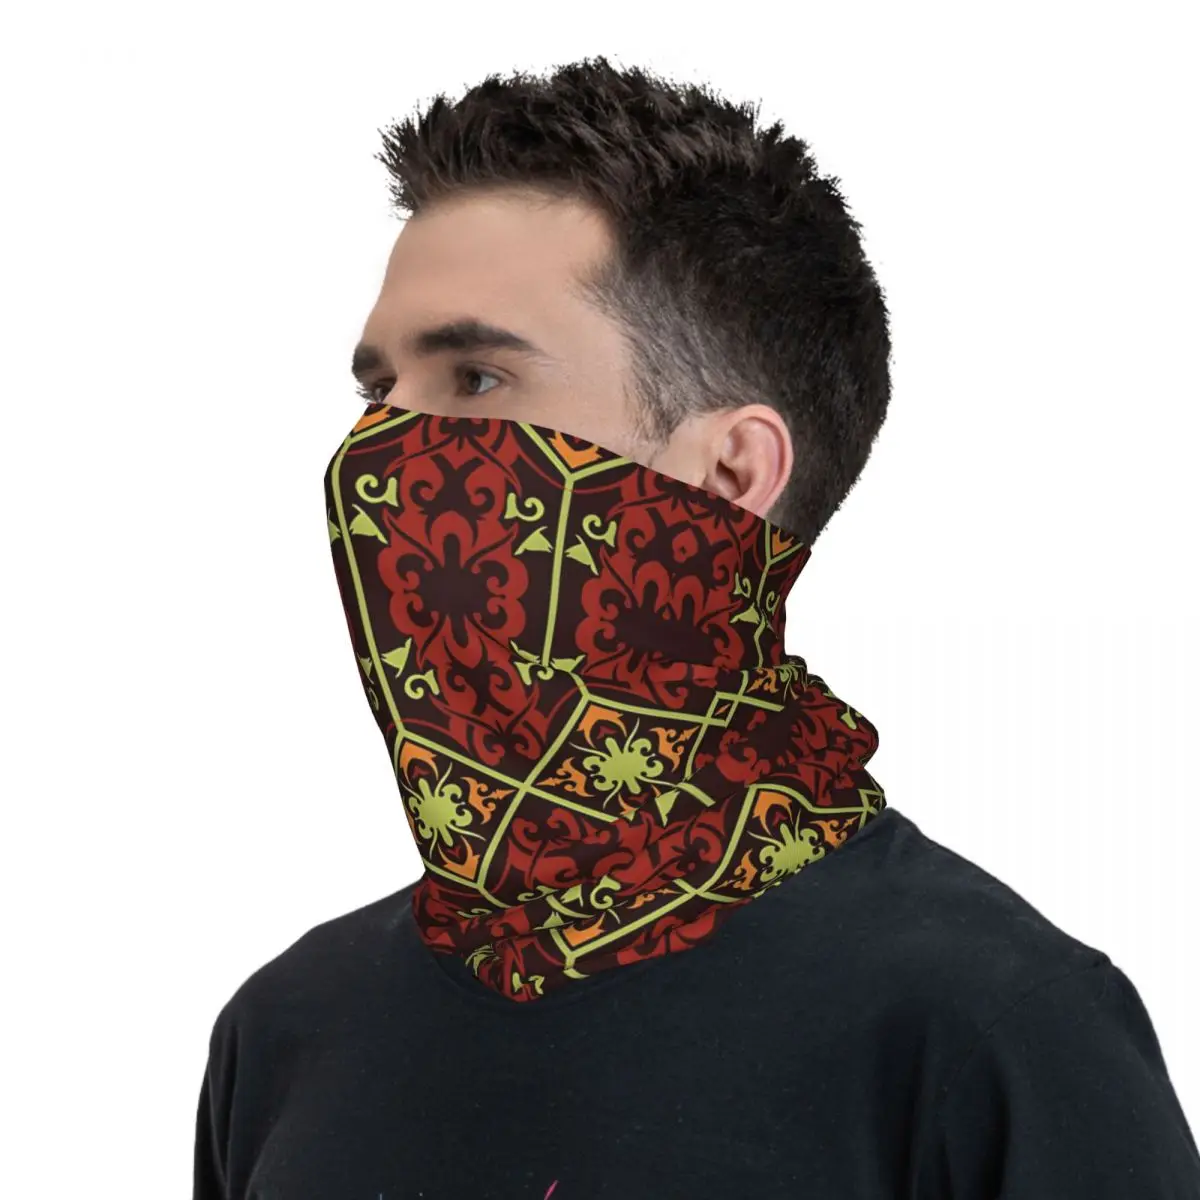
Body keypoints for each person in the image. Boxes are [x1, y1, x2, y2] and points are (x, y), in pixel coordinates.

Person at [193, 56, 1200, 1199]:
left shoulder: (987, 1034)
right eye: (378, 392)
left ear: (728, 473)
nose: (376, 457)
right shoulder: (287, 1034)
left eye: (474, 380)